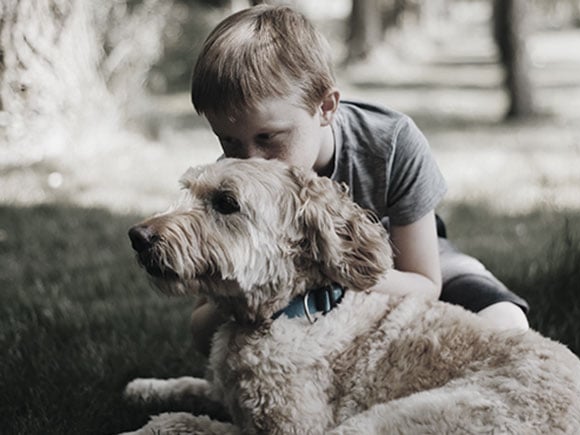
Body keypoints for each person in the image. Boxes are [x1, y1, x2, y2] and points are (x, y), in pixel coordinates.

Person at [189, 5, 529, 356]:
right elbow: (201, 332)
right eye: (228, 141)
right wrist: (241, 288)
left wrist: (326, 271)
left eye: (268, 138)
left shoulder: (390, 144)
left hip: (401, 265)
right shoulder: (231, 189)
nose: (249, 161)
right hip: (289, 292)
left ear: (325, 108)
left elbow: (425, 283)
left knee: (507, 322)